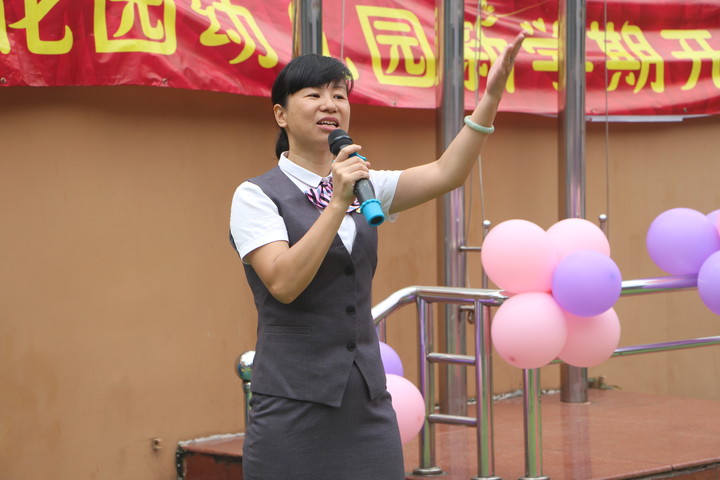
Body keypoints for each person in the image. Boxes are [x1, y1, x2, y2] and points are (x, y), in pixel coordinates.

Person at [229, 32, 525, 480]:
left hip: (366, 402)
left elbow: (447, 172)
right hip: (291, 404)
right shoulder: (256, 195)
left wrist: (491, 98)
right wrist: (336, 201)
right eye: (313, 95)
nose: (330, 105)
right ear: (281, 114)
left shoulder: (365, 184)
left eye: (339, 95)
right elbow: (283, 282)